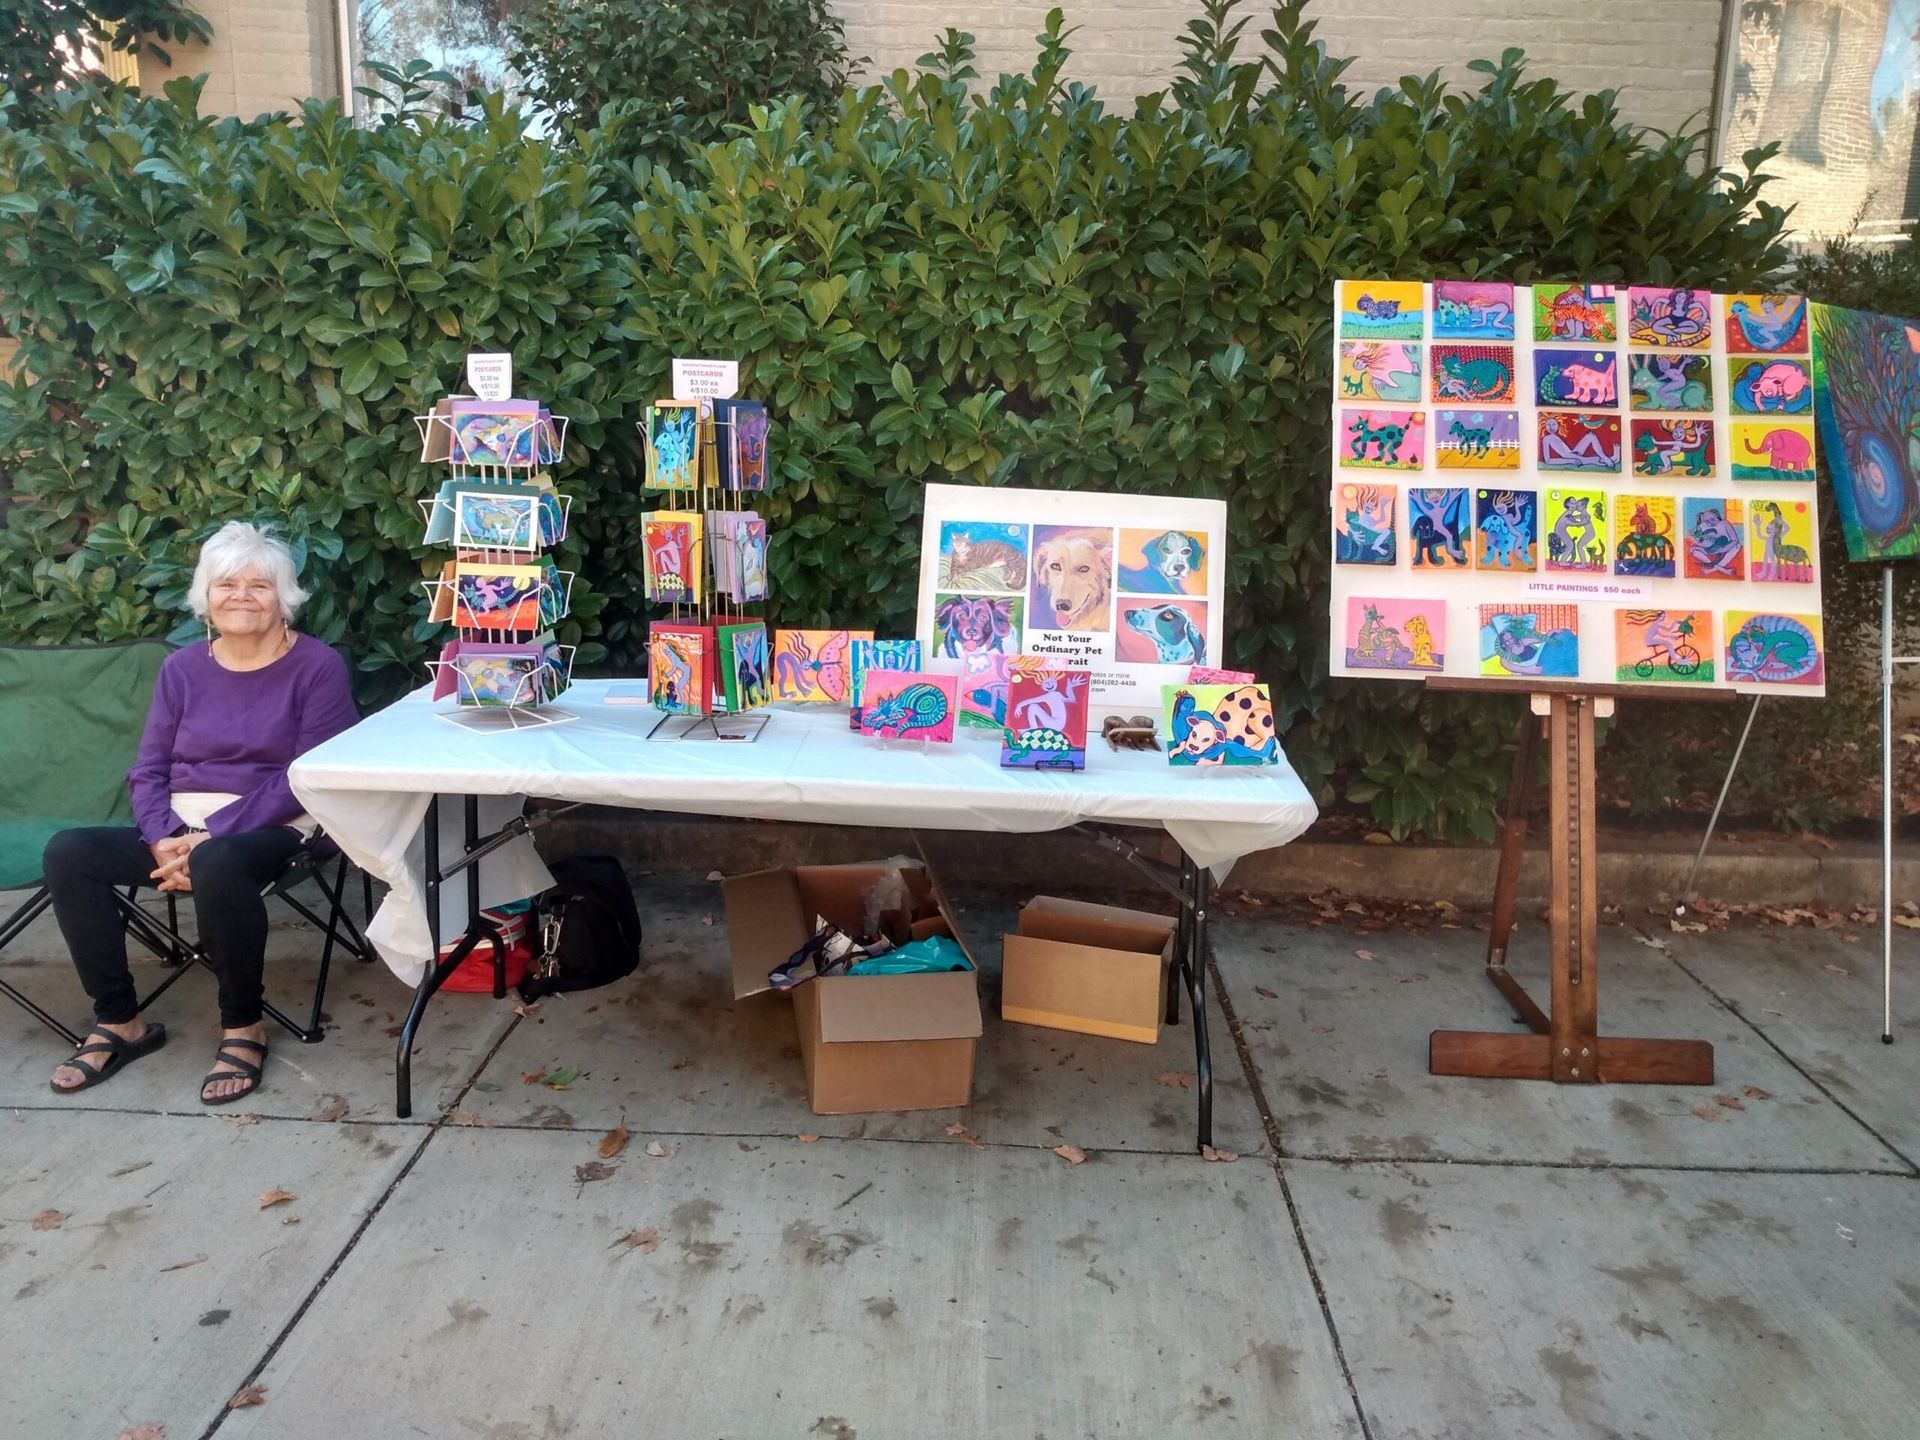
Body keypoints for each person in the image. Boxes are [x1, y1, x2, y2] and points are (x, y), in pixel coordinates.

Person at [43, 521, 360, 1104]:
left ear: (284, 597)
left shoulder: (318, 667)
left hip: (281, 825)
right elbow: (148, 769)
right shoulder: (182, 669)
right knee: (69, 852)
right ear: (205, 597)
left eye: (259, 585)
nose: (242, 596)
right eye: (226, 584)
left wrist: (208, 835)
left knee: (218, 860)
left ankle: (243, 1026)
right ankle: (119, 1022)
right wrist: (164, 836)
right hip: (183, 828)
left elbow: (305, 775)